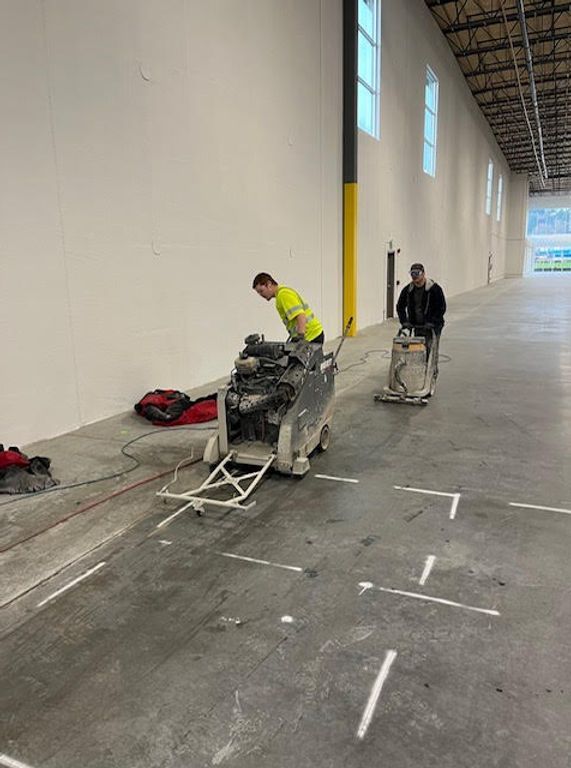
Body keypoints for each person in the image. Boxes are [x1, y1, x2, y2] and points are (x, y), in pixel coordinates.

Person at [396, 262, 446, 368]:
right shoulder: (408, 290)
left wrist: (433, 321)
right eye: (412, 274)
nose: (414, 276)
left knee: (431, 350)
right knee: (418, 350)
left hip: (433, 327)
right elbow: (400, 306)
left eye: (417, 273)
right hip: (417, 325)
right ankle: (419, 372)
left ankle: (431, 374)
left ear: (423, 274)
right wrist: (404, 321)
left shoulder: (434, 289)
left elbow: (441, 307)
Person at [252, 272, 324, 344]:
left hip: (311, 336)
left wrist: (300, 338)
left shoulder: (283, 295)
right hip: (310, 334)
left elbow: (301, 316)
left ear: (269, 284)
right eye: (258, 293)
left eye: (261, 291)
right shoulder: (281, 295)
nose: (261, 295)